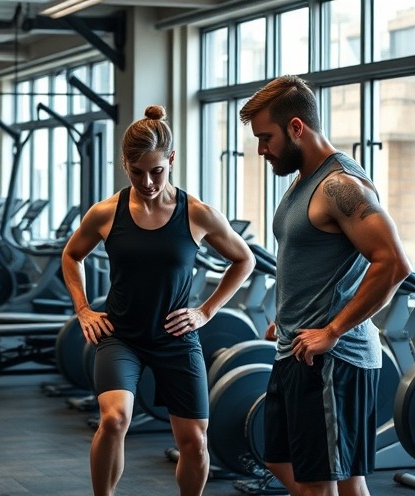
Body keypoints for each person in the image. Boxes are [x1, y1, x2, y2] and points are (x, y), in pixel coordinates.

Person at [62, 105, 256, 496]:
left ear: (172, 160)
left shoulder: (197, 213)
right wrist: (82, 309)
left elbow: (244, 259)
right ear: (125, 164)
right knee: (114, 420)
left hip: (176, 340)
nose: (147, 181)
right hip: (122, 336)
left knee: (195, 441)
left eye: (157, 171)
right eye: (137, 172)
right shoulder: (106, 213)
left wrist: (206, 311)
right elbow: (71, 255)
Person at [239, 75, 411, 496]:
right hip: (299, 349)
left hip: (332, 359)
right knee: (285, 462)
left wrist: (332, 330)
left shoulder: (340, 185)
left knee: (321, 482)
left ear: (296, 127)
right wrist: (286, 317)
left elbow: (393, 264)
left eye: (266, 138)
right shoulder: (304, 179)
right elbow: (312, 261)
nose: (261, 149)